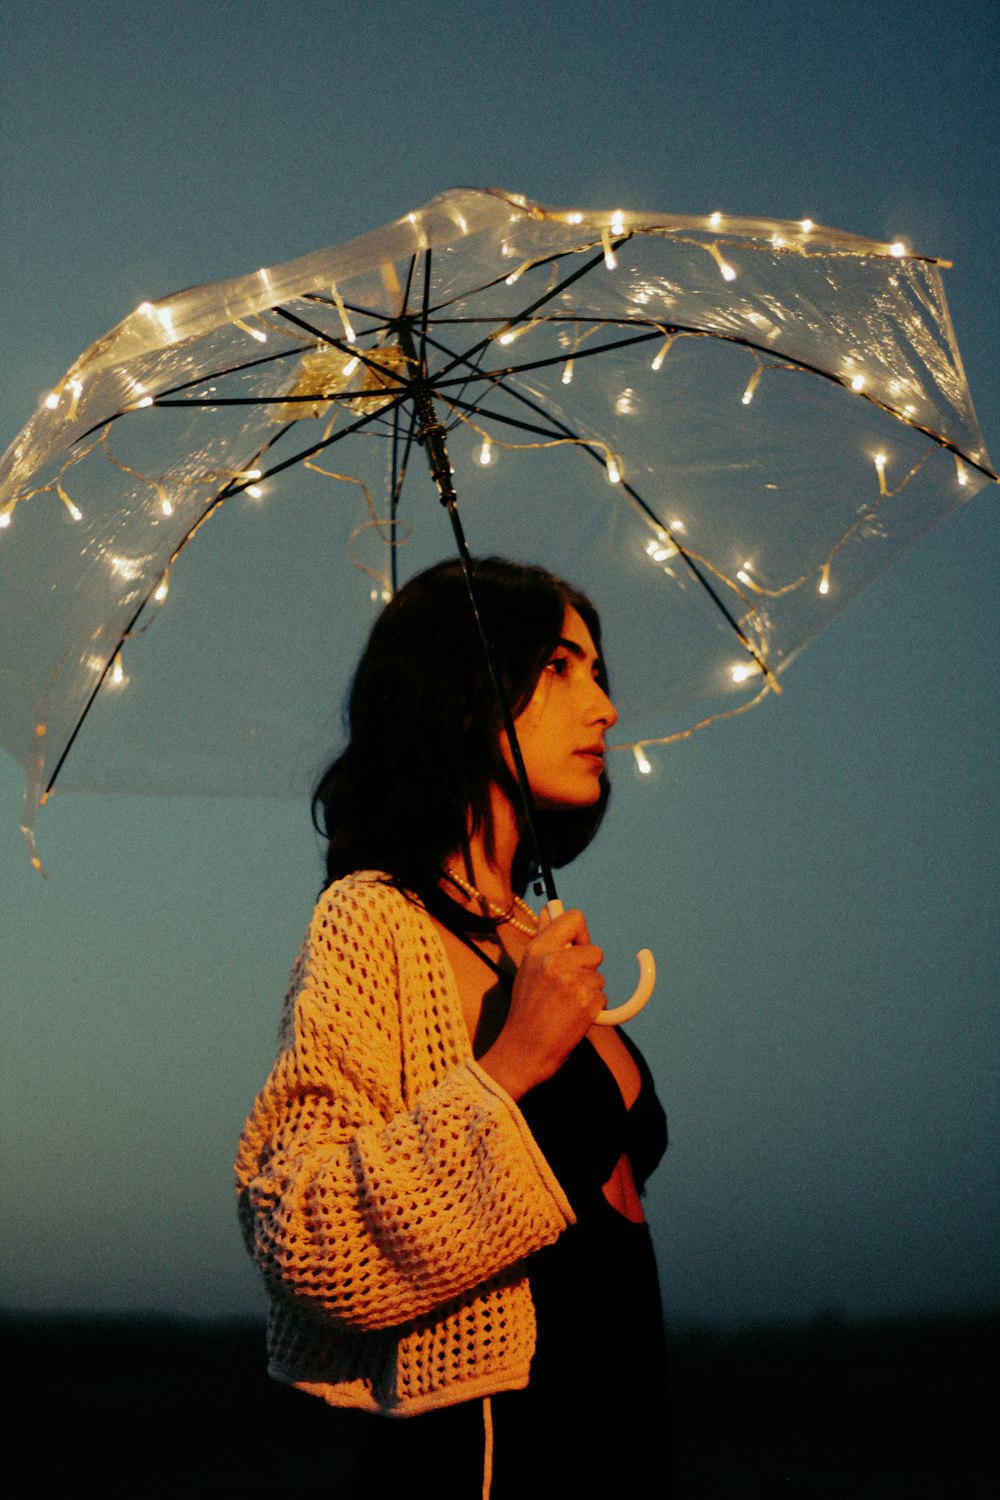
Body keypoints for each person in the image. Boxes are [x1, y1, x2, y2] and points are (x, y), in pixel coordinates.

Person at [235, 557, 669, 1497]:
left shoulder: (533, 929)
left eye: (599, 672)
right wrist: (512, 1063)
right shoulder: (376, 919)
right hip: (483, 1462)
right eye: (561, 667)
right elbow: (299, 1234)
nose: (605, 708)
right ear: (467, 692)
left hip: (623, 1445)